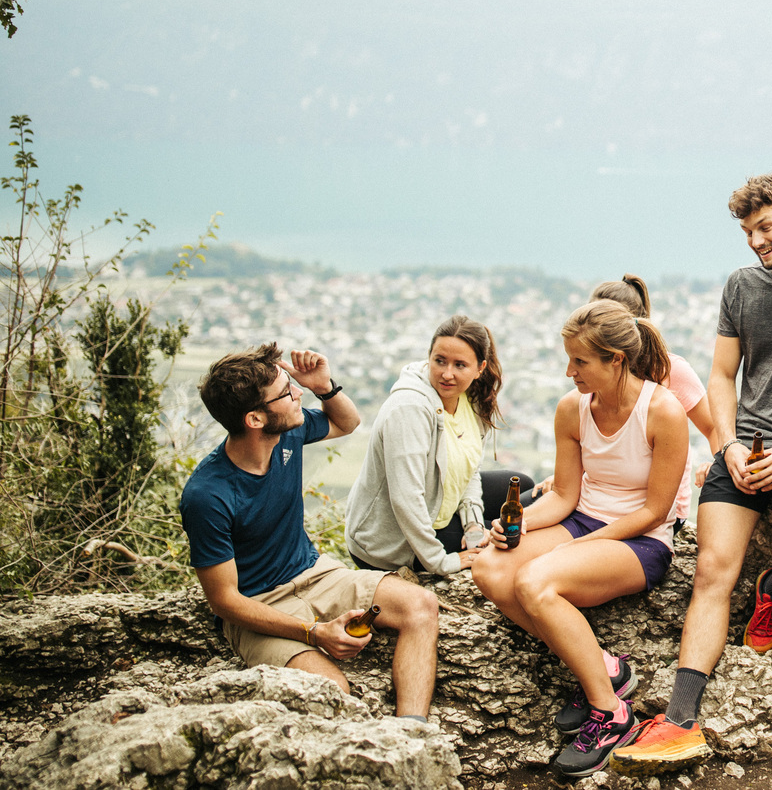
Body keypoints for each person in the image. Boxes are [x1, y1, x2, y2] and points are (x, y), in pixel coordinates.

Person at [613, 173, 772, 777]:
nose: (756, 241)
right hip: (746, 448)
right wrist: (727, 444)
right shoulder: (742, 287)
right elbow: (723, 376)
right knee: (710, 571)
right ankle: (680, 720)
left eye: (766, 227)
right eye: (747, 231)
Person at [471, 300, 691, 777]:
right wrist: (523, 524)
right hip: (582, 521)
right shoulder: (573, 409)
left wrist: (578, 547)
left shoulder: (664, 411)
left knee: (534, 582)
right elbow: (566, 494)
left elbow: (656, 510)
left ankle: (611, 711)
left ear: (616, 360)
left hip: (640, 541)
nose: (569, 371)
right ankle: (604, 665)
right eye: (569, 359)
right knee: (489, 566)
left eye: (580, 361)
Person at [180, 344, 440, 717]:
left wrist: (325, 387)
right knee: (330, 691)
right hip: (260, 604)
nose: (297, 393)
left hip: (315, 572)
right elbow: (224, 601)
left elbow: (346, 423)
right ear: (254, 419)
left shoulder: (287, 434)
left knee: (421, 605)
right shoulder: (208, 495)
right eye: (287, 392)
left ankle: (411, 731)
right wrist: (313, 633)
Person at [345, 315, 529, 575]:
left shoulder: (468, 401)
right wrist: (442, 562)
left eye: (460, 365)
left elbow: (468, 471)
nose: (447, 374)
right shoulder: (409, 409)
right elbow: (405, 498)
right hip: (392, 543)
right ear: (429, 356)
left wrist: (474, 525)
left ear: (480, 368)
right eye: (439, 361)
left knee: (524, 490)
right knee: (504, 538)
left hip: (438, 506)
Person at [533, 276, 716, 496]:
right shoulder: (595, 378)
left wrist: (718, 465)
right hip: (602, 493)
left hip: (658, 500)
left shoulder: (670, 369)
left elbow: (712, 427)